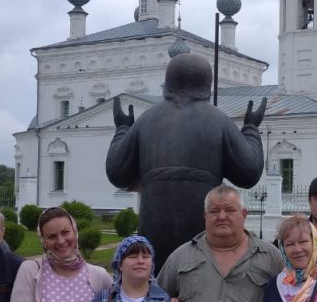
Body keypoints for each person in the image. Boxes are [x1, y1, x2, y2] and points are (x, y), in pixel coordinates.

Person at [105, 52, 266, 271]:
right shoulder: (218, 120)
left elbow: (117, 172)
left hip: (154, 233)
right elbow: (249, 173)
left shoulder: (147, 120)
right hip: (200, 235)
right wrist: (251, 128)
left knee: (158, 288)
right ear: (206, 85)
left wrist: (123, 128)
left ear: (167, 84)